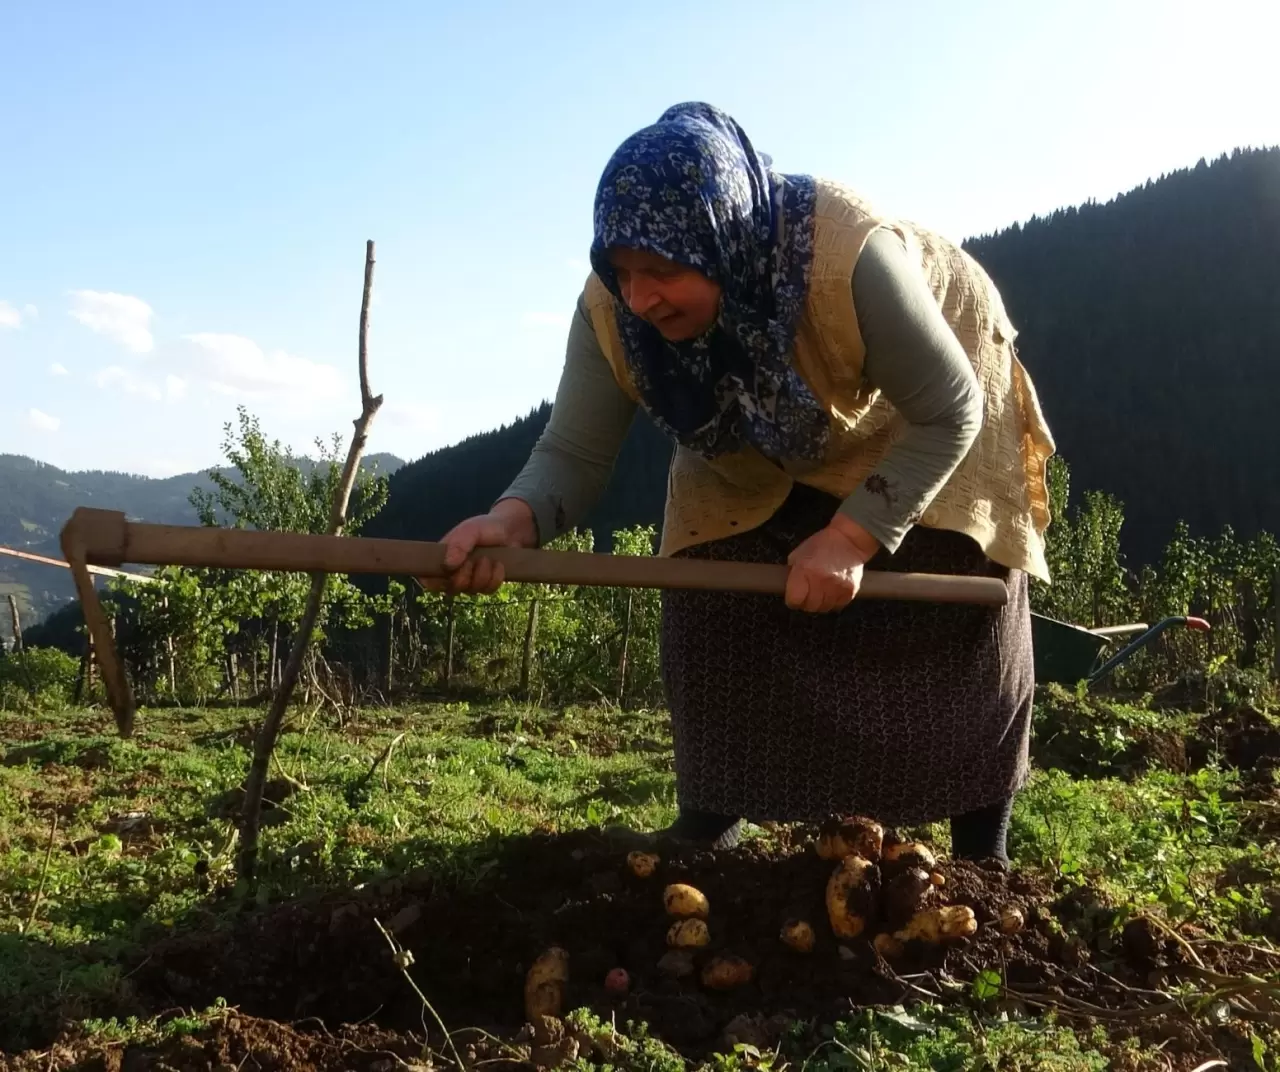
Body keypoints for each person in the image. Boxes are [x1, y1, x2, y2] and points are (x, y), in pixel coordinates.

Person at [427, 102, 1056, 866]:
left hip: (927, 401)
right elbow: (573, 451)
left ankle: (981, 855)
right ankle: (711, 819)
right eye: (622, 272)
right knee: (712, 582)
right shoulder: (612, 315)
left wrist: (853, 537)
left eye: (662, 270)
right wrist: (511, 522)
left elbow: (950, 407)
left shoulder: (848, 259)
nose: (640, 298)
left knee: (952, 594)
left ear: (722, 239)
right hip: (740, 415)